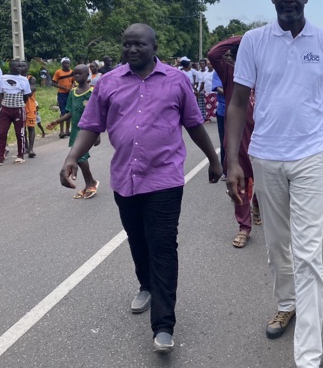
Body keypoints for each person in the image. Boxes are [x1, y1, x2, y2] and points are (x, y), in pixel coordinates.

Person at [58, 24, 223, 353]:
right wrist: (72, 157)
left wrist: (214, 160)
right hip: (125, 177)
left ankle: (163, 325)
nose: (132, 49)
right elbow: (90, 125)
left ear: (154, 45)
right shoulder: (108, 82)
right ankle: (146, 284)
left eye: (139, 44)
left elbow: (193, 124)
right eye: (127, 44)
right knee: (137, 239)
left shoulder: (176, 80)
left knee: (162, 245)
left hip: (164, 177)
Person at [224, 0, 323, 368]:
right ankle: (287, 303)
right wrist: (232, 162)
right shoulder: (255, 42)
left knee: (309, 253)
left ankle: (308, 355)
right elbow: (238, 103)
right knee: (278, 247)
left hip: (311, 156)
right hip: (266, 155)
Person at [208, 36, 260, 247]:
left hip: (265, 139)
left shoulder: (267, 73)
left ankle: (257, 205)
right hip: (238, 139)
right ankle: (244, 227)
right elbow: (213, 54)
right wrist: (244, 37)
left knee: (265, 183)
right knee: (239, 184)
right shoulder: (231, 74)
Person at [47, 64, 100, 199]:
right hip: (76, 130)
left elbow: (97, 114)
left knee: (80, 158)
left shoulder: (92, 92)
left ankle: (91, 183)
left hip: (88, 130)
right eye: (74, 74)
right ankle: (90, 182)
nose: (76, 76)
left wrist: (97, 134)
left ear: (87, 75)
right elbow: (70, 113)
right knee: (79, 158)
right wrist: (56, 122)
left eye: (79, 74)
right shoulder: (72, 92)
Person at [0, 60, 31, 166]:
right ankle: (0, 157)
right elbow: (0, 93)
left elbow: (26, 95)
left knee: (20, 133)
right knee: (1, 133)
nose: (20, 68)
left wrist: (20, 104)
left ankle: (20, 155)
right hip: (5, 109)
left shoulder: (23, 80)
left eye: (21, 67)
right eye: (17, 66)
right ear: (11, 67)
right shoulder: (2, 78)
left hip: (18, 109)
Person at [51, 57, 74, 138]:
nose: (66, 64)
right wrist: (63, 87)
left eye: (67, 63)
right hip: (62, 94)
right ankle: (61, 131)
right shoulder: (58, 72)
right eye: (64, 63)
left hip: (70, 94)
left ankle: (67, 130)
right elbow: (53, 83)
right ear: (62, 64)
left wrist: (72, 88)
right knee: (62, 112)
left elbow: (74, 82)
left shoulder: (72, 72)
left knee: (69, 112)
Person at [211, 68, 226, 177]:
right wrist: (233, 91)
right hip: (223, 112)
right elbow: (218, 88)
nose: (228, 58)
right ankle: (225, 169)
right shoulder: (218, 72)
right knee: (224, 141)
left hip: (241, 111)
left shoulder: (241, 67)